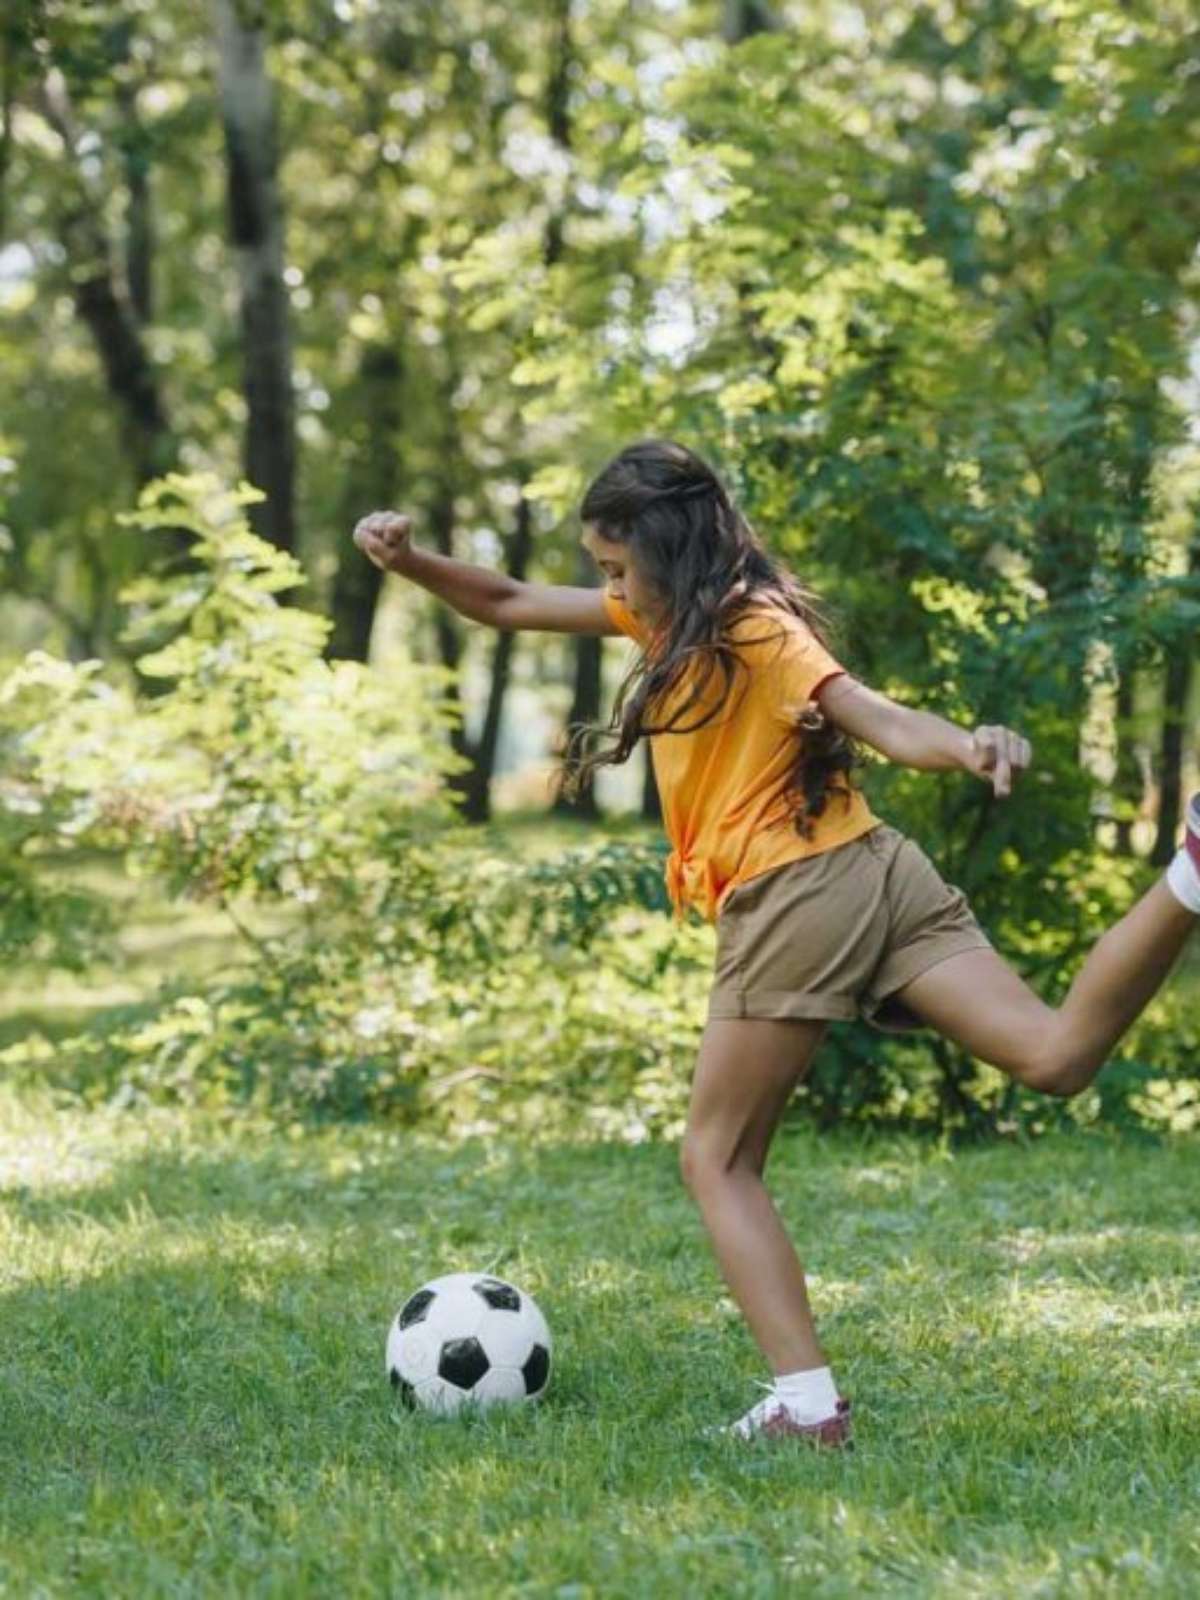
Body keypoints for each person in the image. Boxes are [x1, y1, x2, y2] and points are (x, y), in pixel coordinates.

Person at [353, 437, 1200, 1450]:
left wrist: (966, 743)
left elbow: (871, 714)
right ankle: (1192, 865)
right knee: (1056, 1056)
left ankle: (805, 1403)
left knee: (717, 1157)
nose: (607, 588)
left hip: (796, 889)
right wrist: (407, 561)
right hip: (875, 868)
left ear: (666, 553)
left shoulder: (755, 627)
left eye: (617, 567)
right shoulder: (671, 617)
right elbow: (501, 600)